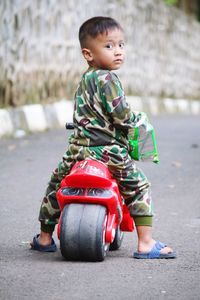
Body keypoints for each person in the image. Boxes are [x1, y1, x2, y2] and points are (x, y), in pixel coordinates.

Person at [31, 16, 176, 259]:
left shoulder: (86, 79)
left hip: (77, 150)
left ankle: (45, 237)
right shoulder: (109, 79)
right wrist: (135, 122)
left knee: (57, 185)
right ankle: (146, 243)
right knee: (139, 187)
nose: (118, 51)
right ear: (88, 53)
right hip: (109, 150)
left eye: (121, 45)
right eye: (109, 46)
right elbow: (121, 116)